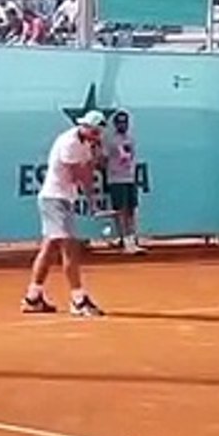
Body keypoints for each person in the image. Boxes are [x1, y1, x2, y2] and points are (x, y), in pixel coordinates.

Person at [23, 111, 107, 317]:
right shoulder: (69, 142)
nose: (97, 135)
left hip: (63, 199)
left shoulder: (87, 144)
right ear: (84, 127)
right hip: (54, 199)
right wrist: (94, 161)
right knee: (70, 247)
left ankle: (33, 297)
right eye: (94, 131)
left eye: (99, 132)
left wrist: (92, 199)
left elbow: (88, 174)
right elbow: (79, 174)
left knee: (49, 248)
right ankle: (78, 300)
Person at [103, 110, 145, 255]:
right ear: (115, 124)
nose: (123, 125)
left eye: (125, 122)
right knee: (120, 210)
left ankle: (131, 237)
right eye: (120, 122)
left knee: (132, 209)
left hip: (130, 178)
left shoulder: (131, 139)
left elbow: (131, 157)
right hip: (116, 179)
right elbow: (104, 159)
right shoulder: (109, 140)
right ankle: (124, 239)